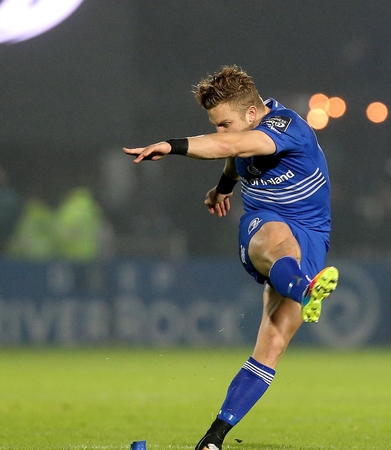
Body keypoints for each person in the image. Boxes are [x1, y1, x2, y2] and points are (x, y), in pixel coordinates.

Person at [124, 65, 339, 450]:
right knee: (276, 239)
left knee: (271, 345)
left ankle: (213, 439)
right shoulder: (245, 132)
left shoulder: (288, 127)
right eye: (216, 124)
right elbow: (234, 157)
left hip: (313, 235)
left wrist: (171, 146)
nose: (220, 130)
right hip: (265, 222)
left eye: (224, 123)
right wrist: (223, 188)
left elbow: (230, 147)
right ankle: (305, 289)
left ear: (253, 114)